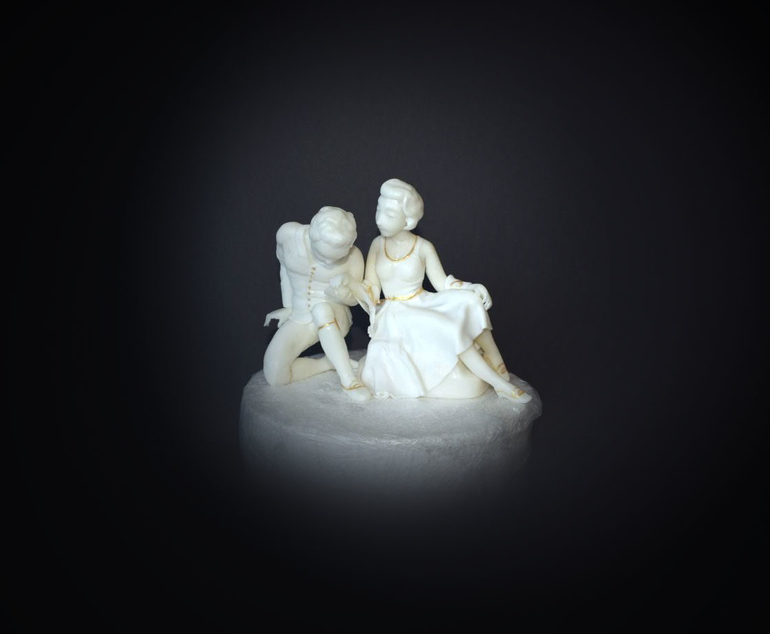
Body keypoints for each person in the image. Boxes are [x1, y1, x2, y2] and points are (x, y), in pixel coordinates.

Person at [357, 178, 532, 402]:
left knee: (470, 301)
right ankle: (499, 384)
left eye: (389, 215)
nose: (380, 219)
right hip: (394, 314)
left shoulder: (423, 247)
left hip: (420, 301)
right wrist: (358, 291)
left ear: (407, 221)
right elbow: (371, 285)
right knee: (449, 328)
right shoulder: (376, 245)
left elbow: (442, 283)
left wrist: (471, 287)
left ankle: (495, 361)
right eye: (378, 210)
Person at [263, 206, 371, 402]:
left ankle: (349, 380)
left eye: (335, 258)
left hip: (335, 316)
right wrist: (288, 306)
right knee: (275, 374)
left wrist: (343, 294)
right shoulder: (288, 236)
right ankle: (328, 363)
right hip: (301, 315)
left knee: (321, 310)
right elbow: (285, 266)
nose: (328, 264)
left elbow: (355, 300)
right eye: (323, 257)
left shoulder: (354, 257)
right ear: (312, 237)